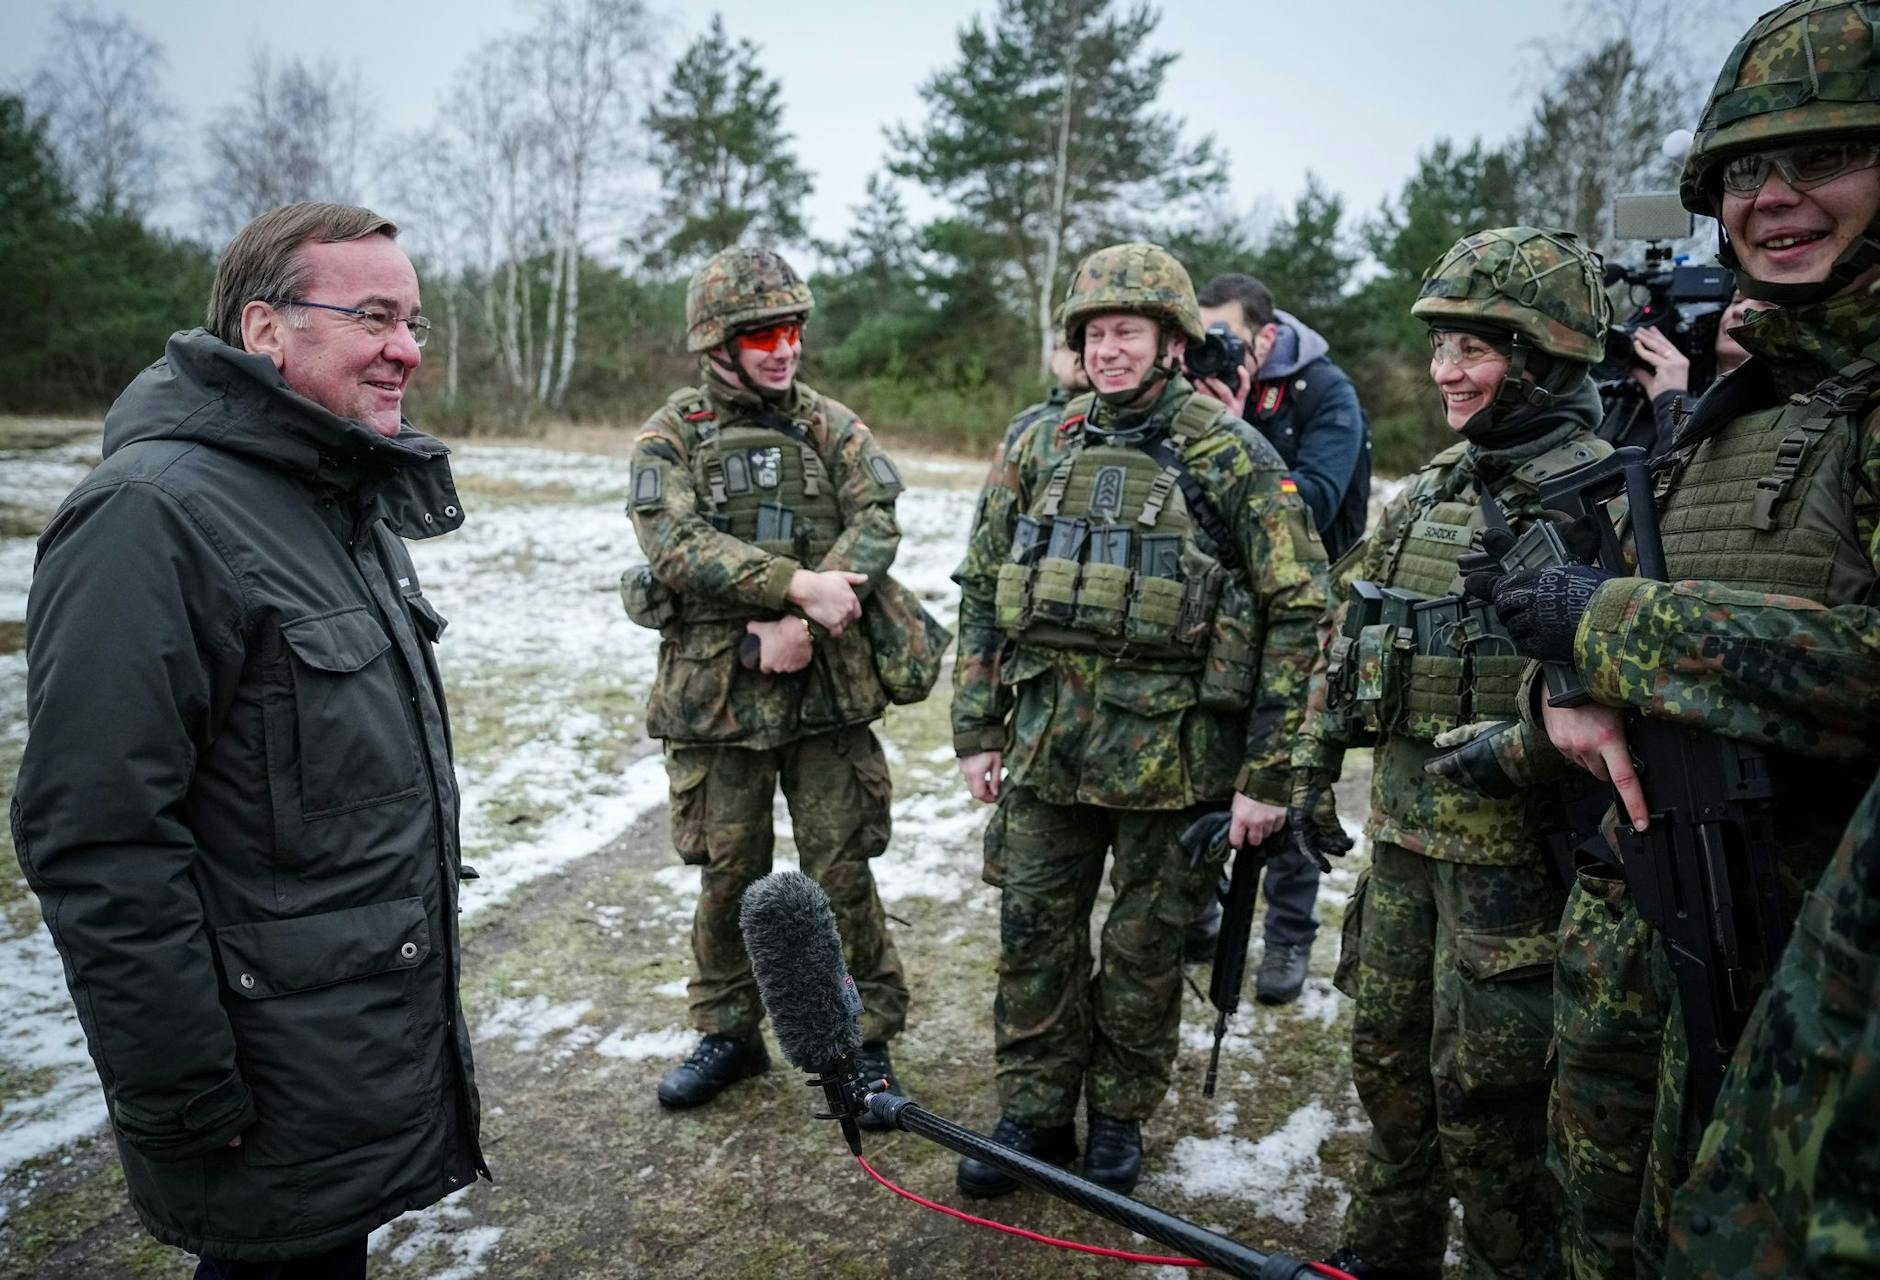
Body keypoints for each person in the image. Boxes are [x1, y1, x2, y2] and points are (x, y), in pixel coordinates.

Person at [11, 202, 483, 1277]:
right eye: (373, 315)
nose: (405, 348)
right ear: (266, 330)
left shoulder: (332, 499)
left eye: (414, 320)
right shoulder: (151, 517)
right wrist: (181, 1089)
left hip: (337, 1052)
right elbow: (99, 839)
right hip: (255, 1077)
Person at [1486, 4, 1880, 1275]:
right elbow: (1639, 601)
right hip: (1655, 910)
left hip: (1813, 982)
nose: (1773, 199)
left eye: (1820, 159)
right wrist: (1569, 685)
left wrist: (1604, 627)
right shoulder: (1737, 403)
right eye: (1742, 173)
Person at [949, 242, 1331, 1197]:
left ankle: (1118, 1118)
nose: (1110, 350)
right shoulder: (1037, 442)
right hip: (1045, 748)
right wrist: (977, 728)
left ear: (1171, 340)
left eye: (1129, 331)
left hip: (1173, 762)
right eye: (1096, 334)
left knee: (1145, 947)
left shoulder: (1229, 451)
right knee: (1032, 934)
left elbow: (1298, 609)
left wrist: (1268, 774)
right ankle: (1032, 1116)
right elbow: (984, 587)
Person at [1297, 226, 1616, 1280]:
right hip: (1399, 837)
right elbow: (1351, 630)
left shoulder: (1606, 495)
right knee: (1386, 1066)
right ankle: (1382, 1250)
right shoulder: (1433, 484)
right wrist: (1306, 760)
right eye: (1438, 348)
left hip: (1514, 868)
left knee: (1493, 1107)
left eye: (1470, 350)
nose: (1443, 373)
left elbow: (1623, 701)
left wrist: (1521, 753)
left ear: (1542, 353)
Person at [626, 246, 912, 1115]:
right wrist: (791, 585)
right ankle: (728, 1032)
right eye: (762, 335)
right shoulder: (670, 435)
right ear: (718, 342)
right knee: (729, 874)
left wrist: (804, 617)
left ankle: (864, 1042)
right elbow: (671, 544)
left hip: (822, 692)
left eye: (792, 330)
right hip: (715, 699)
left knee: (841, 872)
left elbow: (877, 517)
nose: (784, 349)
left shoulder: (831, 424)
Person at [1182, 271, 1374, 1003]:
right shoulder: (1198, 392)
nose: (1213, 352)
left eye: (1225, 338)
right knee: (1205, 759)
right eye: (1200, 340)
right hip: (1223, 612)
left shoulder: (1325, 393)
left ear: (1265, 335)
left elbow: (1316, 504)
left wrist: (1234, 436)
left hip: (1307, 609)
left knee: (1293, 777)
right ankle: (1200, 909)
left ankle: (1288, 939)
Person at [1599, 288, 1764, 453]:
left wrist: (1670, 399)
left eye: (1765, 304)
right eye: (1736, 301)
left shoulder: (1772, 409)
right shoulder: (1643, 389)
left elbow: (1691, 470)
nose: (1738, 310)